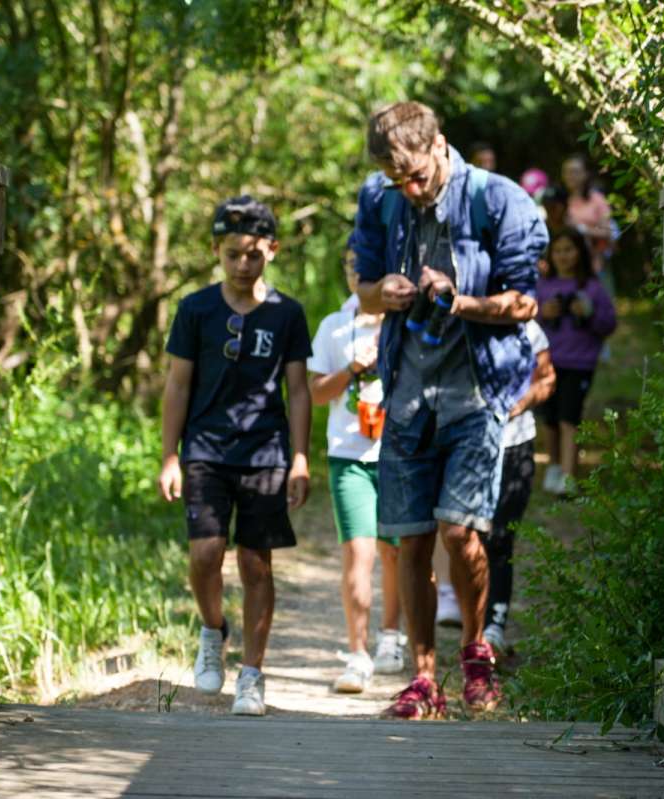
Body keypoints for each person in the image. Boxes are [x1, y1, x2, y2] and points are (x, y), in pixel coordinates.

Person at [350, 101, 548, 719]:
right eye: (394, 179)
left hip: (476, 392)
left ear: (439, 146)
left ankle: (474, 655)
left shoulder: (500, 200)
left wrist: (459, 301)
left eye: (414, 176)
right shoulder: (379, 200)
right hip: (406, 392)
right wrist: (378, 293)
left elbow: (526, 305)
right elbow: (360, 283)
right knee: (409, 541)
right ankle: (422, 679)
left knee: (461, 535)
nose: (407, 189)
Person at [158, 196, 313, 717]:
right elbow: (177, 385)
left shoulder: (287, 313)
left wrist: (299, 457)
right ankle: (211, 629)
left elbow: (299, 390)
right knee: (205, 554)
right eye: (232, 255)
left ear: (271, 249)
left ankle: (251, 675)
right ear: (216, 252)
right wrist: (168, 455)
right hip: (205, 447)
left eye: (253, 254)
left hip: (265, 451)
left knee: (255, 563)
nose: (243, 265)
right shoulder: (195, 309)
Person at [306, 248, 406, 694]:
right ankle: (358, 654)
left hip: (400, 453)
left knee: (397, 552)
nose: (357, 274)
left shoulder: (404, 322)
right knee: (358, 554)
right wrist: (353, 367)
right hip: (349, 456)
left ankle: (392, 638)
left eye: (366, 267)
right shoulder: (333, 326)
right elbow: (316, 394)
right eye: (350, 267)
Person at [481, 319, 554, 655]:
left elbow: (547, 379)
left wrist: (518, 405)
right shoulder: (463, 317)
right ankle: (471, 620)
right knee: (469, 536)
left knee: (501, 536)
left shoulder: (530, 328)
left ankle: (494, 624)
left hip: (516, 443)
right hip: (471, 443)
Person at [537, 227, 617, 496]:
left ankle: (569, 479)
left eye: (569, 249)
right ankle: (554, 467)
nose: (563, 255)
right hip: (547, 361)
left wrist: (589, 314)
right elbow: (529, 320)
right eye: (558, 250)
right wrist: (543, 314)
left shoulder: (592, 288)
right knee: (549, 419)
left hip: (580, 363)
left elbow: (609, 324)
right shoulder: (543, 286)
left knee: (568, 418)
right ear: (551, 254)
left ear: (580, 253)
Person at [560, 154, 615, 275]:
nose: (570, 176)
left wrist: (580, 228)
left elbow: (608, 232)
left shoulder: (597, 199)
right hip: (567, 270)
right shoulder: (561, 201)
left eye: (574, 171)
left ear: (585, 174)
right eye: (566, 172)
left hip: (596, 267)